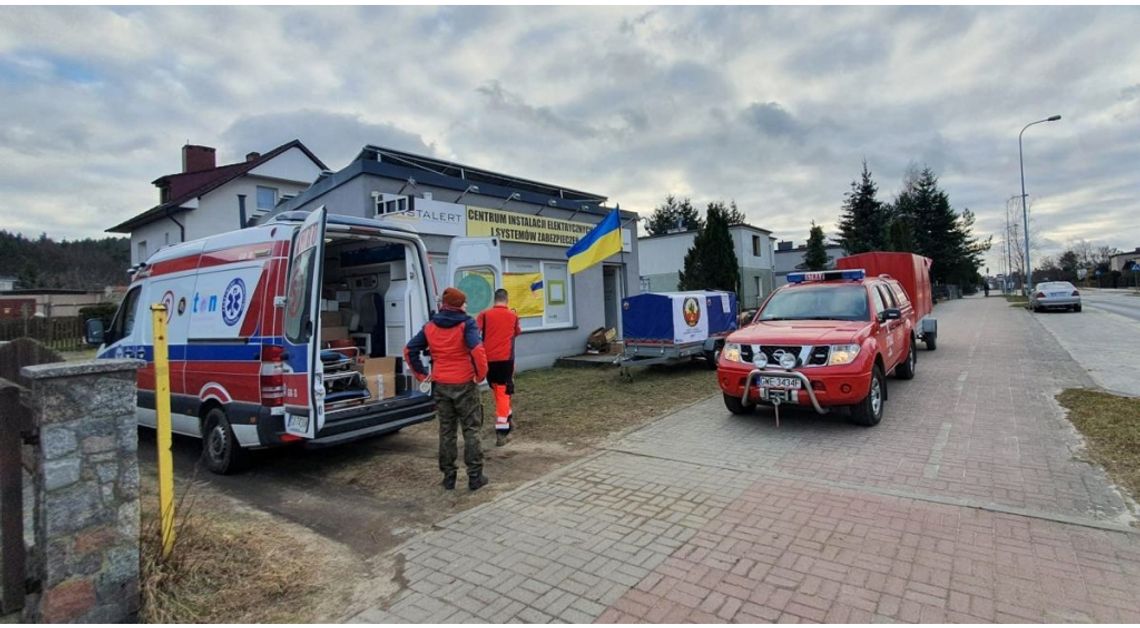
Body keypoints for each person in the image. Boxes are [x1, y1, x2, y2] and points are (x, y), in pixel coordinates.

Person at [404, 287, 490, 491]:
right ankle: (475, 476)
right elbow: (477, 351)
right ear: (460, 305)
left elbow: (409, 350)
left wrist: (422, 375)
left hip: (441, 384)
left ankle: (449, 477)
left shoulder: (430, 326)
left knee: (447, 431)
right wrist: (480, 375)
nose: (467, 306)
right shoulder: (466, 324)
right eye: (465, 302)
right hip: (464, 384)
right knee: (471, 429)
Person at [476, 289, 522, 447]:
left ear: (494, 300)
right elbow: (517, 333)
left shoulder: (484, 314)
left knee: (498, 391)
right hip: (506, 360)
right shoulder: (513, 315)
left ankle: (508, 420)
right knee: (503, 394)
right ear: (506, 300)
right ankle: (502, 432)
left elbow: (476, 332)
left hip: (488, 360)